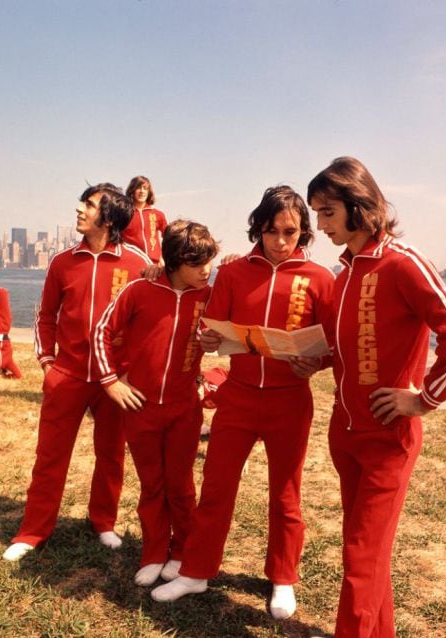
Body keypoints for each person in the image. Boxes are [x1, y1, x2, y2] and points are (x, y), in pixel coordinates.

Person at [306, 156, 446, 637]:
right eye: (317, 214)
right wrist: (313, 359)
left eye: (326, 212)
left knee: (361, 559)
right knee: (366, 554)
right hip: (344, 436)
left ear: (356, 205)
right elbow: (348, 346)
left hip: (388, 439)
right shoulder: (342, 276)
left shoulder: (402, 261)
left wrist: (423, 399)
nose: (319, 225)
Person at [151, 185, 335, 620]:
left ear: (303, 231)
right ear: (259, 229)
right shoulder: (234, 273)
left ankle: (283, 576)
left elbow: (333, 343)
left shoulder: (320, 279)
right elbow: (211, 331)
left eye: (289, 231)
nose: (280, 241)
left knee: (286, 495)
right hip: (238, 398)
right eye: (271, 230)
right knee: (216, 489)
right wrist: (210, 338)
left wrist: (318, 362)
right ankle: (196, 571)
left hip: (290, 401)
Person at [3, 183, 151, 562]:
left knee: (111, 454)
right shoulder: (62, 262)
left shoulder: (136, 264)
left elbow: (146, 321)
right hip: (67, 374)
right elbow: (46, 315)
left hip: (114, 380)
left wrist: (130, 370)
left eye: (89, 205)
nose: (79, 210)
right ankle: (33, 531)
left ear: (109, 216)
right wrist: (47, 363)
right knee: (50, 456)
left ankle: (103, 522)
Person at [94, 219, 219, 586]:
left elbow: (236, 317)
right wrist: (111, 382)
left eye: (209, 261)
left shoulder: (209, 294)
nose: (206, 270)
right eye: (197, 263)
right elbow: (102, 330)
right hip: (140, 408)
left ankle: (181, 551)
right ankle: (153, 552)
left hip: (185, 408)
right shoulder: (139, 291)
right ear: (175, 262)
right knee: (152, 484)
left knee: (180, 485)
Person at [123, 175, 168, 264]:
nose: (142, 191)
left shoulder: (158, 214)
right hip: (131, 262)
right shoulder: (125, 214)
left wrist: (163, 258)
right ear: (132, 191)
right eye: (138, 188)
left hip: (154, 263)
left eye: (145, 188)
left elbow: (169, 238)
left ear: (149, 192)